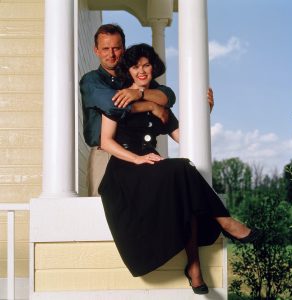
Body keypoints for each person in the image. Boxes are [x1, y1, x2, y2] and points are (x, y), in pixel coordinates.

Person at [98, 44, 261, 295]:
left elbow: (185, 137)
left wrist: (205, 113)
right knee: (182, 169)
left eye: (146, 65)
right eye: (135, 66)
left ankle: (194, 267)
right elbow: (106, 141)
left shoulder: (161, 103)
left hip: (151, 168)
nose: (141, 71)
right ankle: (226, 222)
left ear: (154, 67)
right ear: (127, 70)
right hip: (125, 172)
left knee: (184, 189)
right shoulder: (117, 96)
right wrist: (137, 159)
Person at [80, 24, 176, 196]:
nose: (111, 54)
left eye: (116, 48)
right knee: (101, 211)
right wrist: (150, 105)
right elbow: (113, 106)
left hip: (140, 152)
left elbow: (167, 96)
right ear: (96, 51)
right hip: (106, 153)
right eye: (105, 49)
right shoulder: (91, 80)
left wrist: (140, 93)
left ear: (123, 49)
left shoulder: (134, 78)